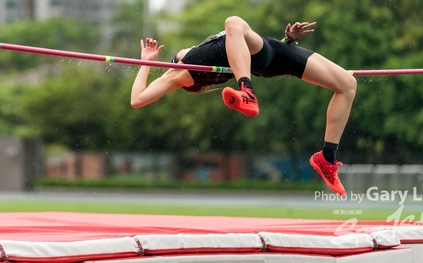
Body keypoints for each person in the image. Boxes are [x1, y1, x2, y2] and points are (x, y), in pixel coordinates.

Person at [130, 16, 356, 195]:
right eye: (180, 52)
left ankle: (326, 158)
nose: (187, 47)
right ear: (175, 62)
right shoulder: (178, 73)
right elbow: (137, 99)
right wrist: (146, 62)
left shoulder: (199, 57)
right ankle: (247, 91)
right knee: (233, 21)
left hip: (273, 51)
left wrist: (289, 40)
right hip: (259, 56)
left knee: (347, 84)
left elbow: (244, 51)